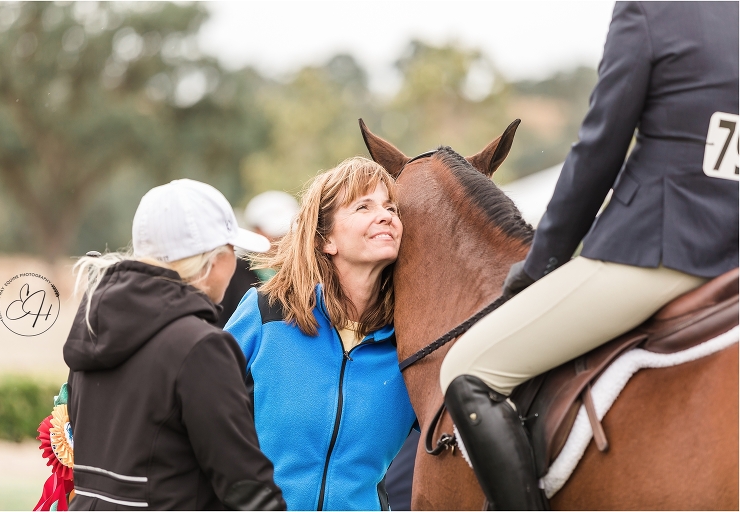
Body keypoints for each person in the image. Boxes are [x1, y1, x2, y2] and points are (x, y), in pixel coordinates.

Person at [438, 2, 739, 510]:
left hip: (660, 250)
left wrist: (539, 266)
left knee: (468, 368)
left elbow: (600, 149)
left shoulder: (651, 9)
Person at [63, 179, 286, 510]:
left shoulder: (95, 325)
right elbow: (245, 486)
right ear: (216, 260)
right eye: (232, 251)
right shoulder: (201, 347)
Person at [225, 157, 417, 510]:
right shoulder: (265, 312)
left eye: (391, 207)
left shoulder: (410, 341)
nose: (387, 215)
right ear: (327, 238)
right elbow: (197, 418)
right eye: (363, 206)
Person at [217, 191, 300, 327]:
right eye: (277, 233)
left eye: (288, 232)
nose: (283, 239)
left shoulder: (304, 270)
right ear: (256, 230)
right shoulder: (233, 271)